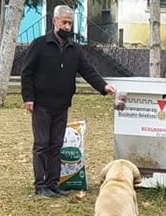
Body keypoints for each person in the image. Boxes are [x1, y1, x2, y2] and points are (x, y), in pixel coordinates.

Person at [21, 5, 116, 198]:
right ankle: (40, 185)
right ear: (54, 21)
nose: (67, 26)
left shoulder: (74, 49)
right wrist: (28, 98)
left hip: (62, 105)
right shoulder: (40, 44)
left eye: (70, 23)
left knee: (56, 145)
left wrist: (104, 87)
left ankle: (53, 184)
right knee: (42, 145)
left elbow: (87, 70)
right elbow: (27, 72)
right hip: (41, 104)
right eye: (64, 22)